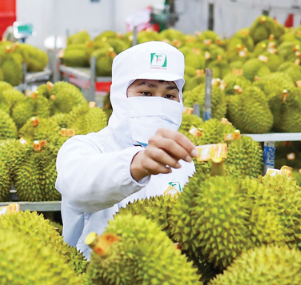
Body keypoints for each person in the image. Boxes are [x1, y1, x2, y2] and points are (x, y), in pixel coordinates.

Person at [56, 41, 198, 258]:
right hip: (93, 282)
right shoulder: (84, 148)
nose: (159, 104)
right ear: (120, 95)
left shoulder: (185, 162)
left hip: (168, 283)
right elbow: (77, 184)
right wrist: (136, 164)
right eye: (146, 93)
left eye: (169, 96)